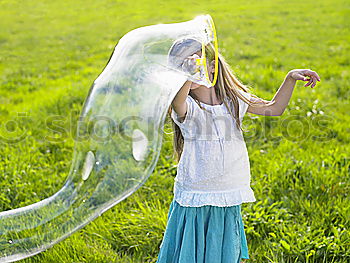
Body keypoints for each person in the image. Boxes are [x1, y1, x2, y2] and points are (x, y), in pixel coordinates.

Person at [156, 38, 321, 263]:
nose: (190, 68)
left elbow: (274, 108)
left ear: (212, 66)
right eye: (182, 65)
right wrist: (189, 74)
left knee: (220, 253)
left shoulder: (233, 101)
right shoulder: (188, 108)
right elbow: (178, 102)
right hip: (196, 195)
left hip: (227, 191)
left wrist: (290, 77)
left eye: (195, 62)